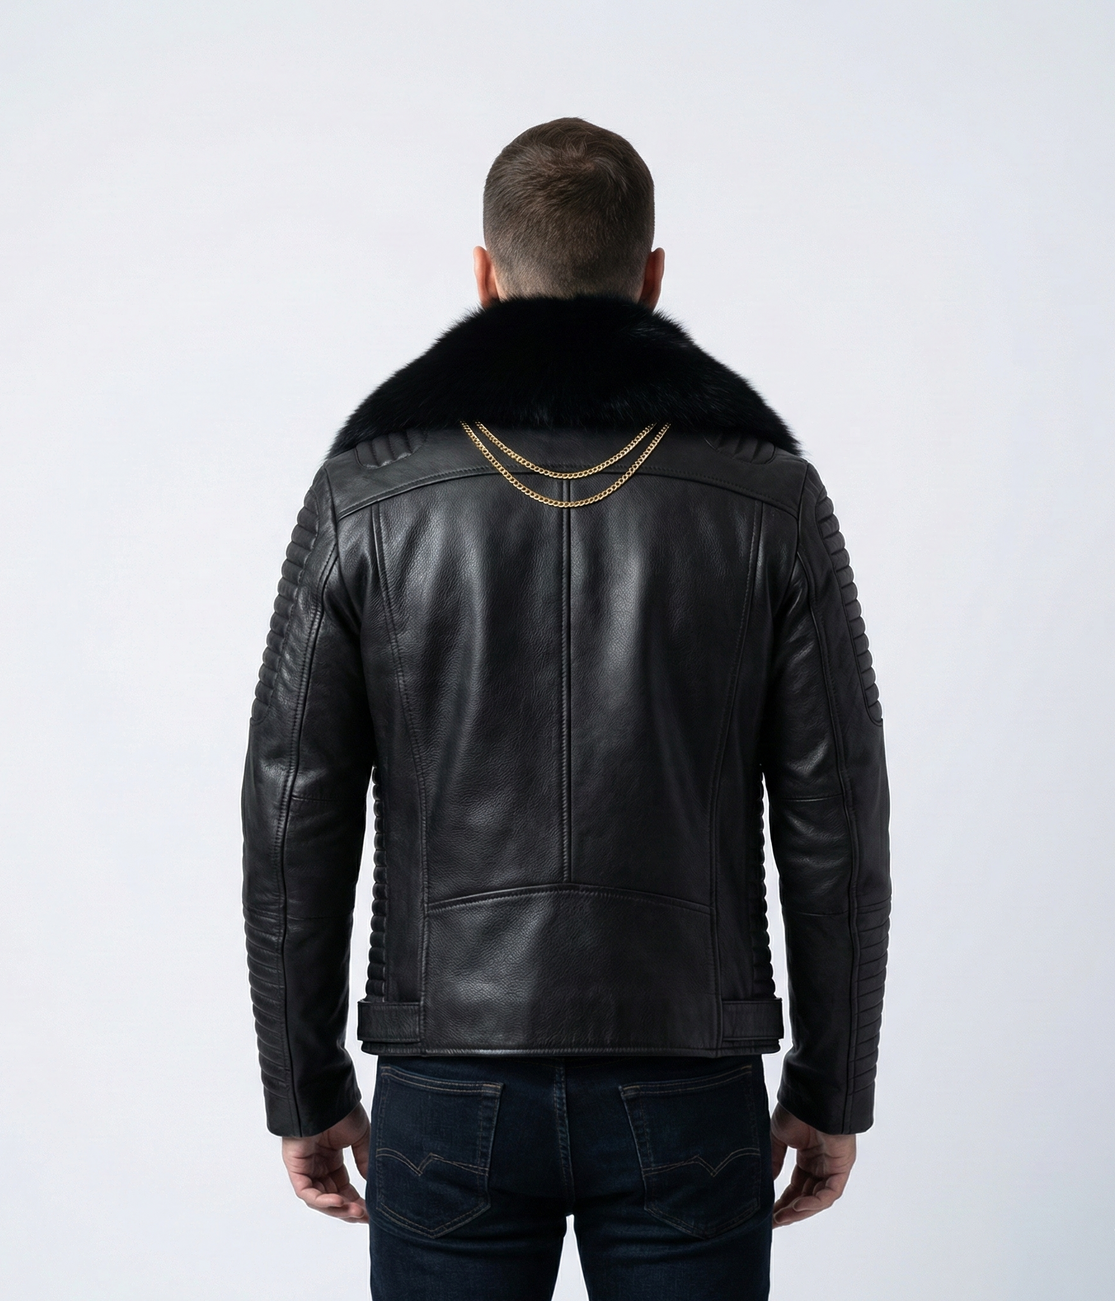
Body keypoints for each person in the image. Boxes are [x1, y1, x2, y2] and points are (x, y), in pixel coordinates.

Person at [241, 117, 890, 1300]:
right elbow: (835, 817)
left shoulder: (367, 497)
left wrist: (306, 1082)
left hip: (448, 1080)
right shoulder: (767, 497)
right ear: (651, 280)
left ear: (484, 277)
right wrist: (832, 1083)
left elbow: (294, 811)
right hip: (687, 1075)